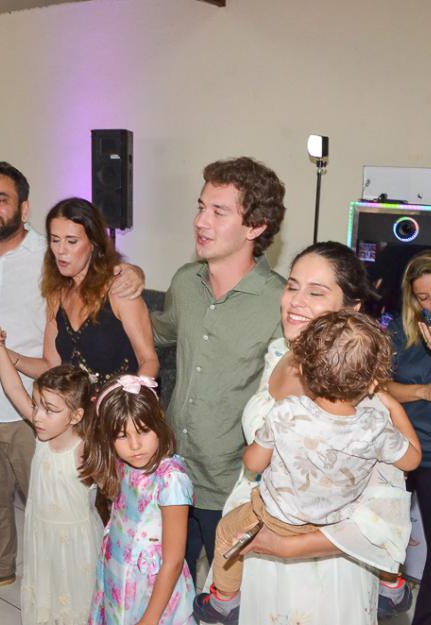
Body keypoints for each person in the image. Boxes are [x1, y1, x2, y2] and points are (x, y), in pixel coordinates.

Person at [0, 163, 142, 600]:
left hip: (38, 411)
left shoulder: (49, 254)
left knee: (57, 507)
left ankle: (82, 589)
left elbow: (103, 273)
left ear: (23, 207)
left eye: (1, 198)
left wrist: (132, 272)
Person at [210, 241, 412, 625]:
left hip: (321, 570)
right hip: (256, 536)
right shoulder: (280, 351)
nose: (296, 301)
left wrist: (288, 548)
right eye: (292, 286)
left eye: (316, 293)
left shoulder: (355, 397)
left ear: (350, 310)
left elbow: (383, 517)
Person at [151, 157, 286, 580]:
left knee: (231, 600)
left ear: (255, 226)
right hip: (172, 470)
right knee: (169, 585)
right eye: (200, 207)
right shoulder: (185, 282)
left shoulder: (281, 303)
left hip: (234, 486)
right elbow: (158, 334)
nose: (200, 221)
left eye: (218, 211)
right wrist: (122, 291)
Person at [0, 339, 102, 625]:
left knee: (75, 600)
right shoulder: (43, 436)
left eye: (49, 409)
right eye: (36, 406)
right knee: (47, 595)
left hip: (75, 543)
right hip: (42, 533)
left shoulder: (84, 449)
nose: (37, 416)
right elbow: (14, 389)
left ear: (76, 415)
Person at [0, 196, 158, 387]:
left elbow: (148, 361)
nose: (61, 250)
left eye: (71, 241)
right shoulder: (57, 295)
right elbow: (51, 366)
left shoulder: (119, 290)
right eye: (55, 240)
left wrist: (128, 399)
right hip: (75, 405)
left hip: (121, 404)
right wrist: (3, 353)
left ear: (93, 243)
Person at [81, 375, 196, 625]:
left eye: (143, 431)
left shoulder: (171, 480)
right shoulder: (122, 463)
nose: (135, 445)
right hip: (118, 574)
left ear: (159, 424)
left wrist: (149, 620)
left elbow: (174, 560)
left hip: (154, 591)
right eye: (122, 436)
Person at [387, 250, 431, 625]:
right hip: (415, 452)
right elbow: (380, 387)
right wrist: (422, 391)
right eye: (423, 297)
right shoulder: (401, 331)